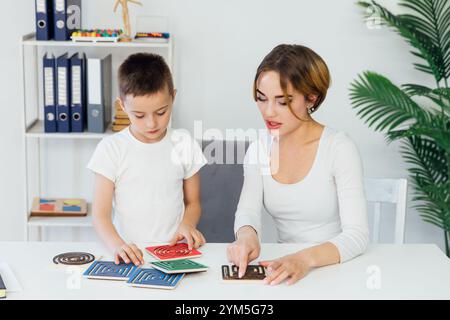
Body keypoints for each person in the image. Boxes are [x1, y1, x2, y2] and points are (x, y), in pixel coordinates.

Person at [227, 44, 369, 285]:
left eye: (282, 102)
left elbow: (357, 236)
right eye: (262, 99)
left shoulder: (338, 148)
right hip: (287, 271)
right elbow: (248, 211)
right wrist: (246, 236)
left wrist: (304, 259)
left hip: (337, 269)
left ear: (311, 97)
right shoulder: (259, 149)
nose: (268, 112)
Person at [87, 53, 207, 266]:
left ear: (173, 97)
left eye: (161, 112)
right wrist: (117, 245)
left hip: (174, 251)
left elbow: (193, 202)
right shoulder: (111, 149)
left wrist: (187, 225)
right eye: (139, 115)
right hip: (129, 254)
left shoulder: (184, 144)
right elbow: (100, 215)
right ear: (122, 105)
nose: (151, 124)